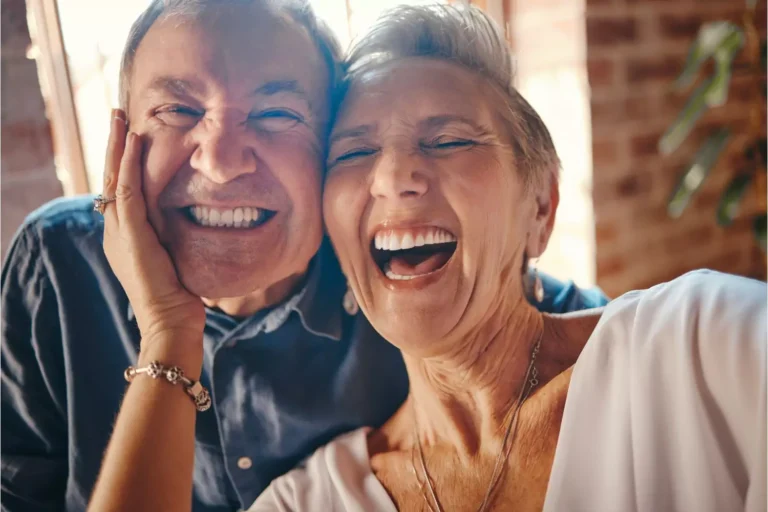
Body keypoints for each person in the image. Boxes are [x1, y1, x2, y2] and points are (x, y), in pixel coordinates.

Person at [89, 3, 766, 511]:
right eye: (353, 153)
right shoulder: (309, 500)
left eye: (448, 142)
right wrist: (170, 331)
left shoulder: (701, 348)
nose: (395, 178)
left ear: (540, 206)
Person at [0, 1, 606, 511]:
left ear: (325, 154)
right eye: (179, 110)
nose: (221, 158)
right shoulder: (54, 264)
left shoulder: (395, 276)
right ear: (121, 140)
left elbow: (539, 321)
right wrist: (167, 335)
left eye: (276, 114)